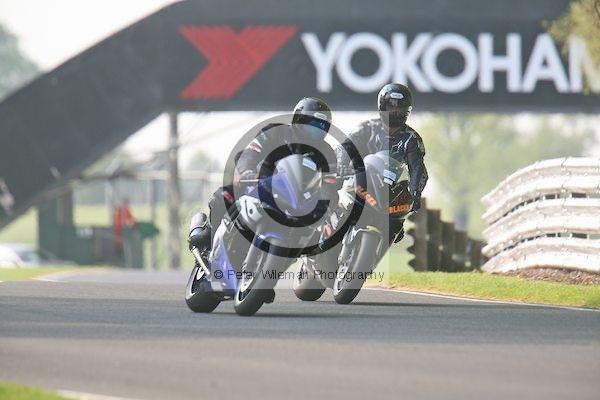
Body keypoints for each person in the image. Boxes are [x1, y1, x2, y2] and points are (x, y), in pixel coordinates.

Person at [196, 97, 337, 250]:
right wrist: (247, 171)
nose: (316, 131)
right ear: (298, 119)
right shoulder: (275, 132)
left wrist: (325, 206)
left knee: (320, 239)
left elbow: (330, 185)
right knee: (221, 198)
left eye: (321, 127)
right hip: (258, 188)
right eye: (311, 125)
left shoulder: (327, 152)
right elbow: (250, 152)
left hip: (298, 204)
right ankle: (210, 245)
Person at [335, 83, 428, 244]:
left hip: (390, 192)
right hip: (361, 183)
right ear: (382, 107)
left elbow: (417, 168)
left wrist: (415, 192)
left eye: (399, 108)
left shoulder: (412, 139)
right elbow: (346, 147)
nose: (395, 112)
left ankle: (387, 235)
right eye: (391, 107)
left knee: (396, 227)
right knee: (340, 212)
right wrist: (342, 164)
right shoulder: (368, 128)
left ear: (407, 111)